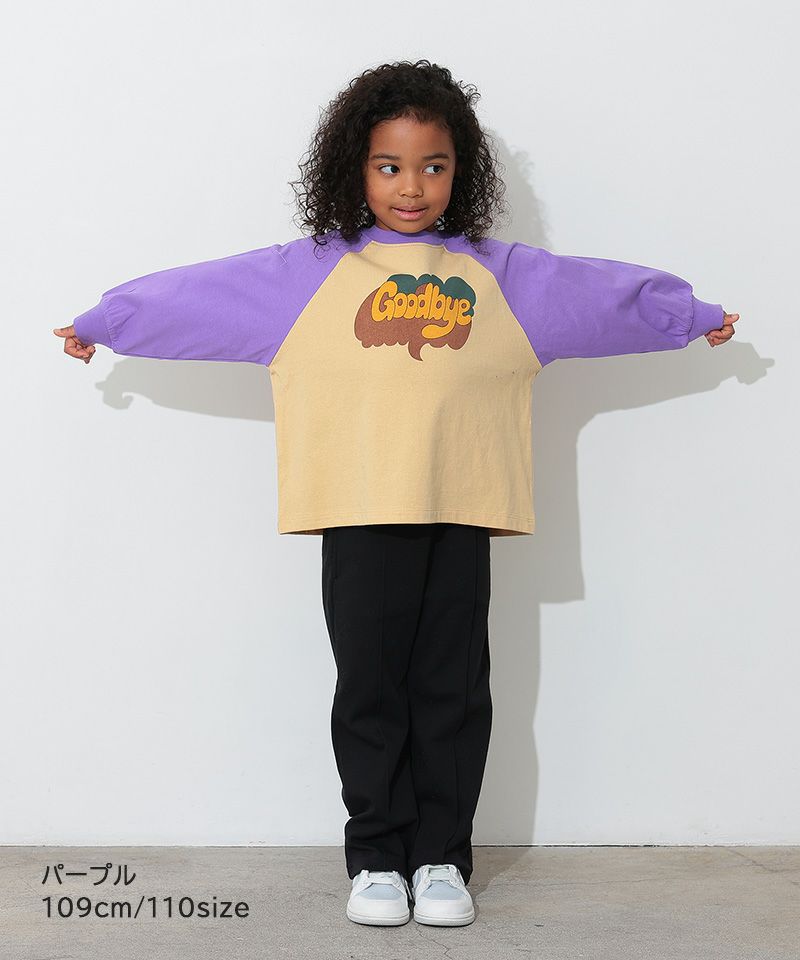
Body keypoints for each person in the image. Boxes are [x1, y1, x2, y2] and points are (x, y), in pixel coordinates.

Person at [53, 59, 738, 928]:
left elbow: (601, 296)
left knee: (453, 690)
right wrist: (107, 322)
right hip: (359, 510)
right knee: (371, 688)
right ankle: (377, 857)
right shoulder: (305, 277)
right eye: (389, 166)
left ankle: (442, 859)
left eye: (432, 166)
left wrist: (689, 315)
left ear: (460, 172)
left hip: (462, 507)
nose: (411, 187)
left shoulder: (503, 278)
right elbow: (199, 297)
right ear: (355, 169)